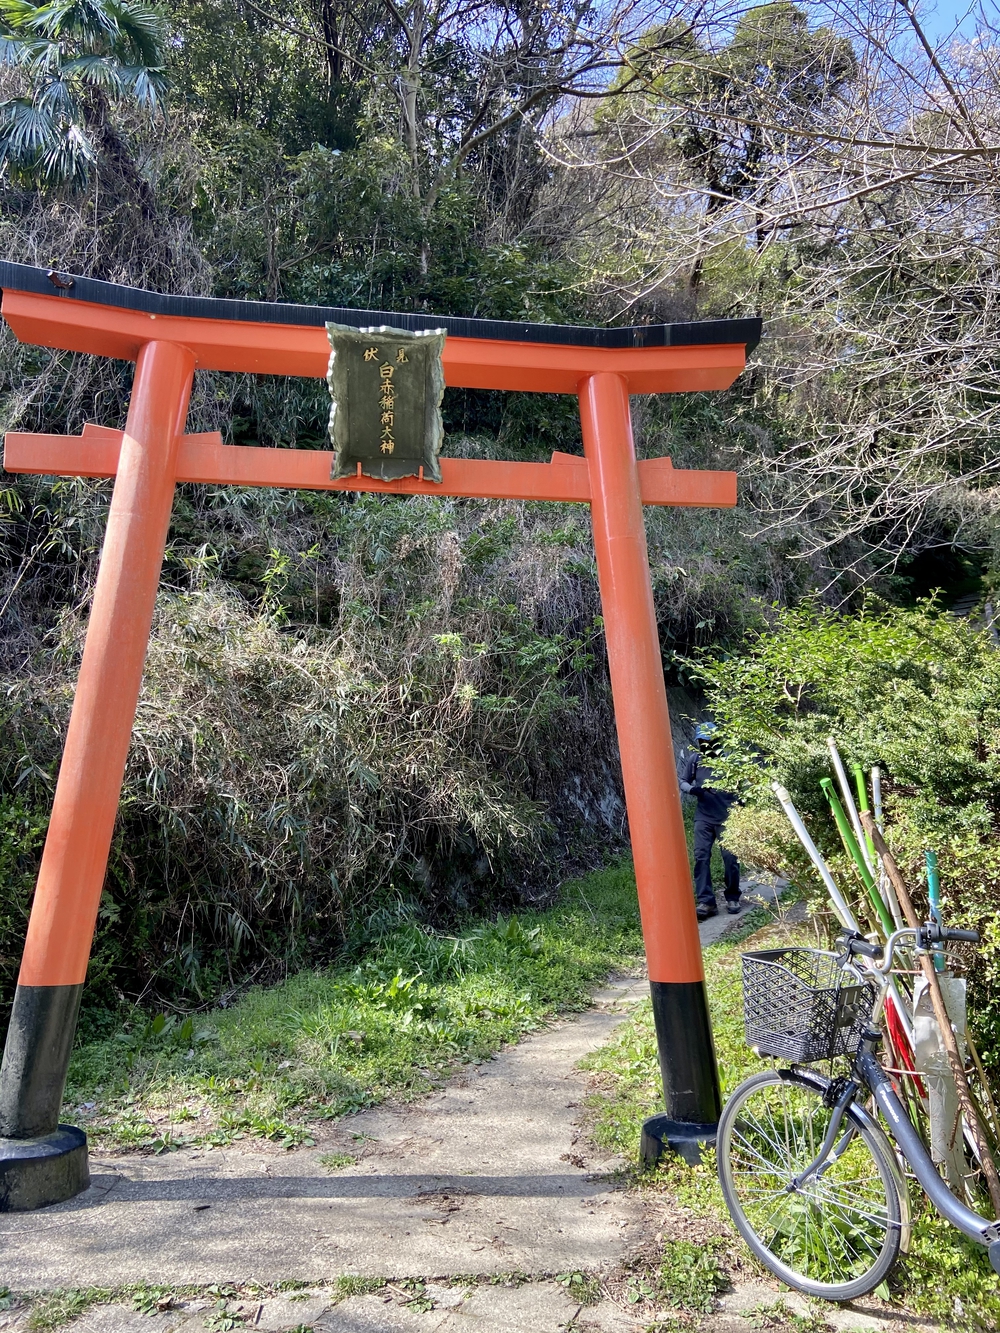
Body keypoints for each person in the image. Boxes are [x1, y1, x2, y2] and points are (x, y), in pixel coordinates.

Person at [680, 721, 741, 921]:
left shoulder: (730, 760)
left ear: (717, 741)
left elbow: (744, 785)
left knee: (731, 859)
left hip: (727, 817)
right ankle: (706, 902)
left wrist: (742, 805)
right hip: (703, 817)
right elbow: (683, 781)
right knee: (701, 857)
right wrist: (693, 789)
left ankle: (733, 897)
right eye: (701, 741)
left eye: (708, 741)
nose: (705, 745)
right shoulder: (695, 759)